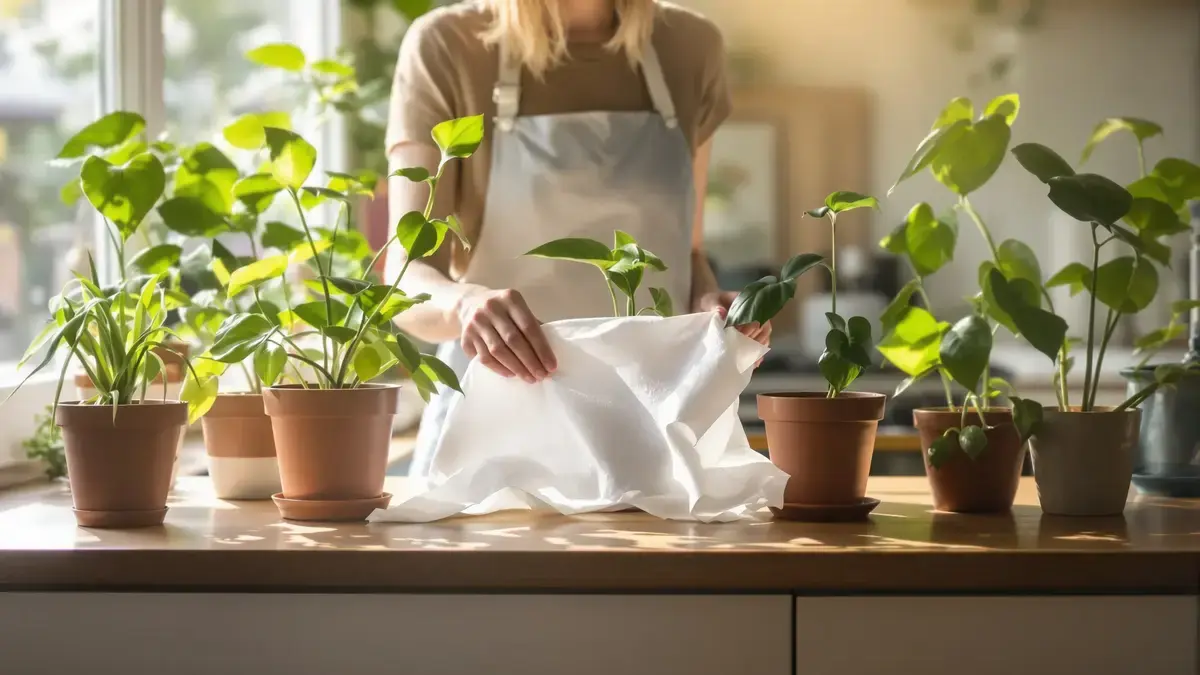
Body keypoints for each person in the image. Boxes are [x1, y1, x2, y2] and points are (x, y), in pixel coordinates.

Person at [386, 0, 771, 476]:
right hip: (498, 435)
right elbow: (404, 282)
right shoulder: (448, 46)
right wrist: (465, 305)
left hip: (656, 425)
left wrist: (711, 303)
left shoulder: (691, 46)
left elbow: (686, 252)